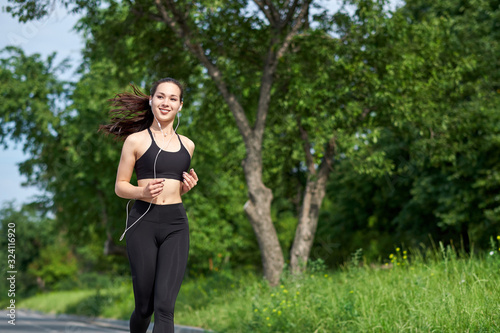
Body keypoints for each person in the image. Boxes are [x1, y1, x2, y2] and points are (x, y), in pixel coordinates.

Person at [100, 77, 198, 333]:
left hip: (175, 224)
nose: (166, 102)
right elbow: (120, 186)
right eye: (161, 96)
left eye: (173, 98)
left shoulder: (188, 145)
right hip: (143, 222)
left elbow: (174, 185)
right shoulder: (136, 141)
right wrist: (141, 191)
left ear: (180, 106)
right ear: (152, 100)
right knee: (144, 308)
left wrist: (184, 188)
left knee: (165, 307)